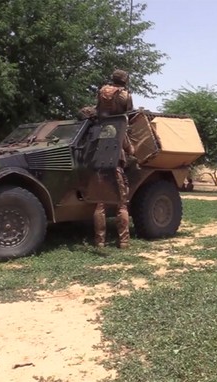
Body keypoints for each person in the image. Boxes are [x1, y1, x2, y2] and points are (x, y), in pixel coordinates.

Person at [92, 69, 135, 249]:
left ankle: (99, 241)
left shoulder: (102, 93)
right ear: (125, 81)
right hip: (116, 165)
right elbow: (130, 149)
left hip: (99, 164)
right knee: (121, 204)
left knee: (100, 204)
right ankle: (123, 241)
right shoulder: (125, 98)